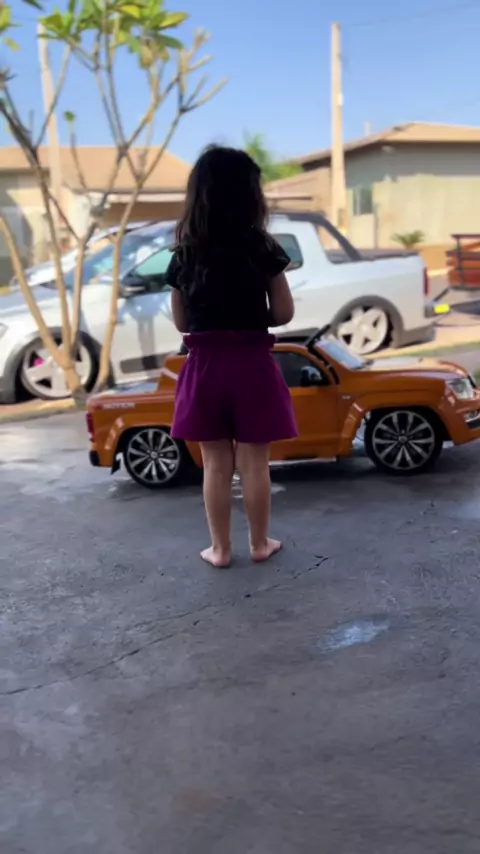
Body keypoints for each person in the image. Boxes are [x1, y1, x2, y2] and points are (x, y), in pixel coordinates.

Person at [165, 145, 297, 568]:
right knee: (255, 462)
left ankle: (220, 550)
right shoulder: (263, 248)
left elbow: (181, 321)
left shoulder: (184, 255)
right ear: (250, 195)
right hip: (252, 363)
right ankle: (259, 544)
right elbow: (283, 313)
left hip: (204, 367)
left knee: (215, 464)